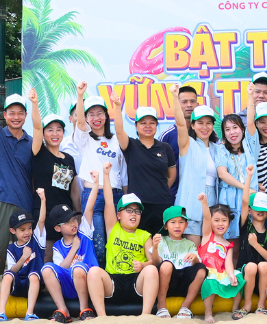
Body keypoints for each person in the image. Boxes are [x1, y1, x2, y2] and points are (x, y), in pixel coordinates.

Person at [0, 61, 35, 241]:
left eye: (20, 113)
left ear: (26, 115)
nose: (16, 117)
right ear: (4, 115)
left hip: (24, 203)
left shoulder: (32, 142)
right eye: (11, 113)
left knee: (23, 254)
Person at [97, 177, 161, 316]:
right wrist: (106, 174)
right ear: (119, 215)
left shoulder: (145, 236)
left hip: (136, 283)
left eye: (137, 211)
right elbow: (109, 202)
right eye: (129, 210)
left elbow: (154, 262)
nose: (134, 214)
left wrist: (143, 265)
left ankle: (145, 315)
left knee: (151, 270)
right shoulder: (113, 228)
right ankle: (102, 317)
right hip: (113, 282)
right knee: (94, 272)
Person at [115, 95, 177, 236]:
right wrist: (118, 106)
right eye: (143, 123)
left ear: (156, 125)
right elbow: (119, 130)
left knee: (161, 243)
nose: (147, 126)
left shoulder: (165, 147)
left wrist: (159, 189)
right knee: (139, 243)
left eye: (152, 123)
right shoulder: (130, 145)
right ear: (136, 126)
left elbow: (172, 175)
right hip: (137, 206)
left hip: (162, 204)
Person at [39, 198, 108, 323]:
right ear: (58, 228)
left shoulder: (84, 233)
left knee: (78, 268)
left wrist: (95, 186)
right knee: (46, 268)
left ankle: (84, 309)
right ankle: (63, 310)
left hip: (88, 284)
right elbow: (61, 268)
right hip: (68, 287)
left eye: (74, 219)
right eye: (67, 222)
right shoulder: (57, 246)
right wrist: (74, 248)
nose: (73, 224)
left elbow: (89, 208)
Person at [72, 83, 125, 242]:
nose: (96, 118)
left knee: (115, 241)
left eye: (100, 113)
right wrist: (80, 96)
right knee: (98, 243)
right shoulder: (84, 138)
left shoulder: (116, 140)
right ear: (86, 118)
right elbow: (80, 123)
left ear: (106, 116)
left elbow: (123, 172)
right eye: (91, 114)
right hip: (93, 195)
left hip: (115, 194)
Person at [0, 193, 45, 321]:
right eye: (22, 229)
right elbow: (12, 270)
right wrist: (23, 258)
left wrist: (43, 199)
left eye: (29, 228)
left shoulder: (36, 240)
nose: (27, 232)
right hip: (18, 284)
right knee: (7, 275)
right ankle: (1, 312)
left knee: (33, 275)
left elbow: (42, 220)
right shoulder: (11, 248)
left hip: (35, 282)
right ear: (13, 231)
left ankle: (29, 312)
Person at [172, 99, 222, 236]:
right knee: (193, 248)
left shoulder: (218, 149)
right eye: (200, 123)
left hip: (212, 205)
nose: (205, 127)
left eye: (208, 123)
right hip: (191, 205)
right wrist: (175, 96)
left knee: (209, 247)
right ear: (192, 125)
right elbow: (180, 124)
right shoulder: (188, 144)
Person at [152, 204, 205, 318]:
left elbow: (197, 264)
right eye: (173, 222)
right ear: (165, 226)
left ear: (186, 225)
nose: (177, 226)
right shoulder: (161, 241)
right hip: (167, 282)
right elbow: (156, 263)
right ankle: (161, 306)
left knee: (201, 269)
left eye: (181, 222)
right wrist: (155, 248)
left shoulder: (189, 244)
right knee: (166, 265)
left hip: (185, 283)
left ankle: (186, 306)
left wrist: (194, 258)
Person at [194, 197, 242, 321]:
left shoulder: (228, 245)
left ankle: (235, 308)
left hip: (221, 272)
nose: (220, 224)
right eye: (216, 220)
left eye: (224, 220)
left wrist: (231, 274)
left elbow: (228, 263)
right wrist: (205, 203)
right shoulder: (207, 235)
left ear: (229, 222)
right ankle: (208, 313)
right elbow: (206, 218)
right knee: (211, 282)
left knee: (239, 279)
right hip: (207, 272)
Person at [30, 102, 81, 216]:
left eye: (59, 129)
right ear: (43, 134)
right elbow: (37, 127)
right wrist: (34, 103)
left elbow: (74, 191)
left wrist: (78, 214)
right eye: (50, 130)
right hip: (44, 214)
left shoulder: (69, 159)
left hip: (66, 216)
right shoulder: (39, 153)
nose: (55, 134)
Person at [236, 189, 267, 317]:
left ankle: (262, 304)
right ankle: (247, 305)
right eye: (257, 208)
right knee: (251, 266)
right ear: (250, 210)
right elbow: (245, 202)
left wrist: (255, 244)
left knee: (263, 265)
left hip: (263, 278)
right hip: (245, 276)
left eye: (264, 209)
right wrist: (249, 178)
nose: (261, 211)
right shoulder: (246, 227)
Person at [212, 114, 252, 234]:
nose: (232, 132)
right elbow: (222, 174)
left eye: (235, 127)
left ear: (242, 129)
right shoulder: (221, 150)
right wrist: (246, 188)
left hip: (249, 199)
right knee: (230, 236)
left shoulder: (250, 149)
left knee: (247, 236)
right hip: (228, 199)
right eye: (227, 129)